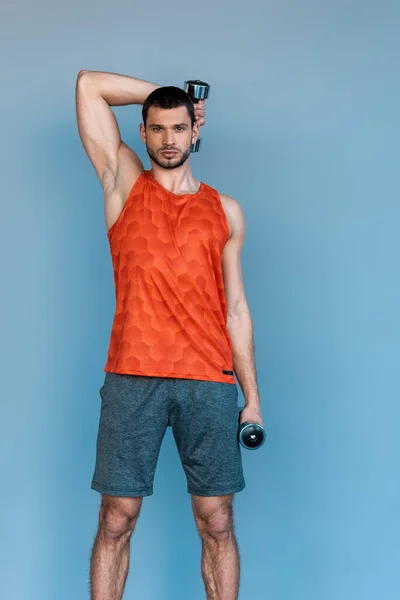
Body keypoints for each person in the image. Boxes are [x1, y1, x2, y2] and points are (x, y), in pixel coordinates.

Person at [75, 69, 264, 600]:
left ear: (194, 133)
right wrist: (171, 91)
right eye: (158, 128)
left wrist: (252, 400)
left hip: (207, 380)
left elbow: (237, 309)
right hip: (132, 377)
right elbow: (89, 85)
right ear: (143, 132)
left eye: (179, 127)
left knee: (218, 521)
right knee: (116, 519)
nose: (169, 140)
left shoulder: (225, 211)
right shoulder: (124, 187)